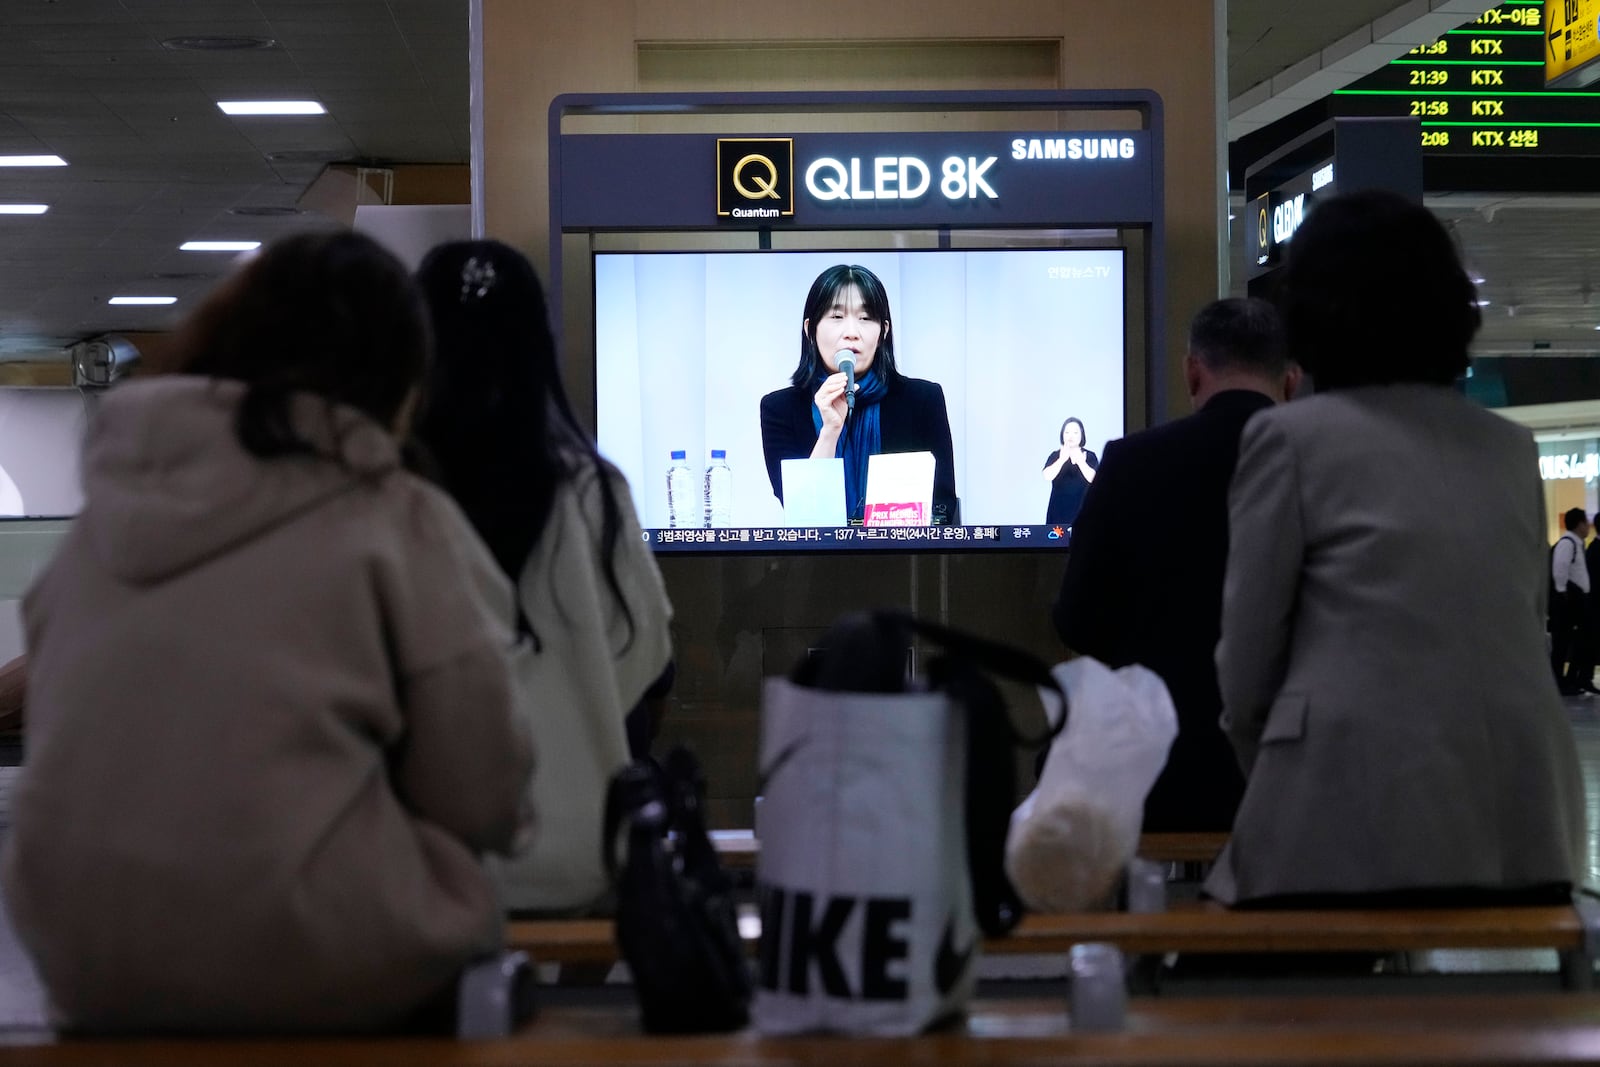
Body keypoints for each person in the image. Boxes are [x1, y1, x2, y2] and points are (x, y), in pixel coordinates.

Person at [1, 232, 535, 1034]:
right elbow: (487, 791)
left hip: (82, 959)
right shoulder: (394, 515)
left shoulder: (96, 532)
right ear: (397, 380)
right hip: (311, 955)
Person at [1207, 190, 1585, 907]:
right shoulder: (1510, 448)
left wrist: (1278, 776)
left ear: (1309, 312)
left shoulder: (1288, 439)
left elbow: (1246, 662)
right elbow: (1519, 624)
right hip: (1525, 821)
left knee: (1221, 986)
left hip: (1345, 806)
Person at [414, 239, 674, 914]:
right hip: (579, 850)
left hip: (423, 859)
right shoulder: (591, 487)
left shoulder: (388, 490)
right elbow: (646, 658)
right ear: (539, 342)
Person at [1052, 297, 1297, 832]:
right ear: (1291, 381)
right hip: (1291, 769)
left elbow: (1076, 620)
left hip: (1159, 768)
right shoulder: (1320, 463)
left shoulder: (1130, 462)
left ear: (1192, 372)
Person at [759, 264, 957, 523]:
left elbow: (942, 505)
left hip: (906, 559)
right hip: (814, 561)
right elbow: (800, 511)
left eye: (865, 318)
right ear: (810, 330)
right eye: (836, 317)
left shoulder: (922, 400)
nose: (851, 333)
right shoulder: (781, 408)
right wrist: (830, 431)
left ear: (883, 331)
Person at [1552, 507, 1592, 695]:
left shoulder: (1577, 544)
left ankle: (1570, 680)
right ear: (1579, 524)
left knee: (1577, 640)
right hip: (1569, 601)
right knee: (1564, 641)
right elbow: (1560, 569)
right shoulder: (1568, 543)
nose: (1588, 527)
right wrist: (1563, 594)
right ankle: (1561, 681)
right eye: (1585, 523)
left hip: (1575, 599)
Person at [1041, 418, 1099, 526]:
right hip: (1058, 513)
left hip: (1084, 511)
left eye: (1075, 432)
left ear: (1082, 435)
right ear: (1062, 435)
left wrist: (1081, 462)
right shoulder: (1055, 455)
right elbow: (1047, 475)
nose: (1070, 436)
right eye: (1067, 432)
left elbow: (1094, 479)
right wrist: (1062, 459)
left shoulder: (1090, 456)